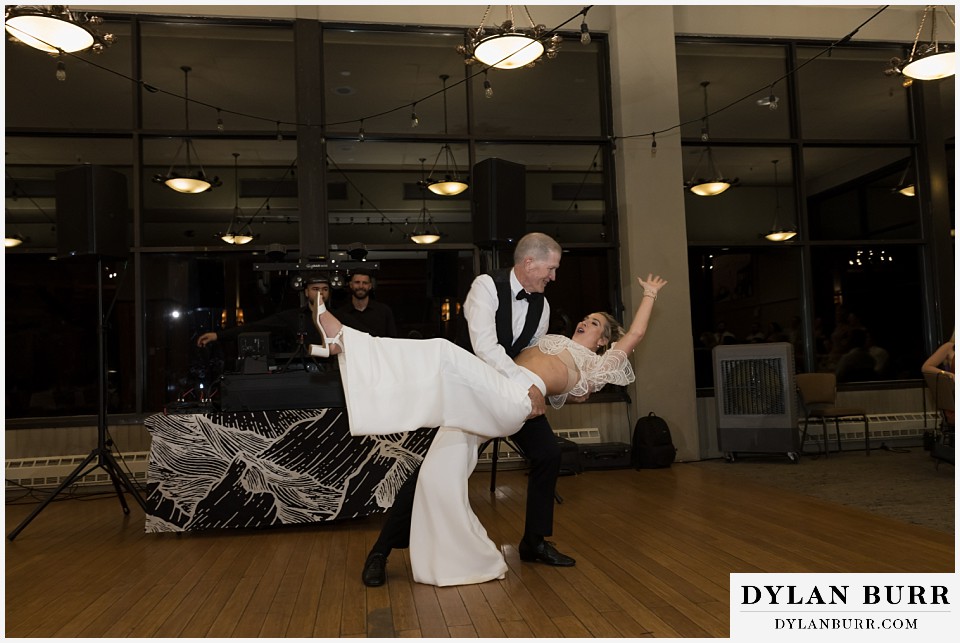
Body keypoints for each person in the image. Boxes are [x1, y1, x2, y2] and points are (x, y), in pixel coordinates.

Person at [305, 267, 666, 586]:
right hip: (491, 387)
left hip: (517, 400)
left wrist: (649, 294)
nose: (585, 322)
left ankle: (535, 542)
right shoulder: (544, 328)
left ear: (603, 341)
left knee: (450, 358)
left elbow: (633, 335)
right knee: (433, 472)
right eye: (586, 317)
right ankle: (381, 553)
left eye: (595, 323)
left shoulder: (596, 364)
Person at [195, 272, 332, 351]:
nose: (320, 293)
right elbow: (256, 326)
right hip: (304, 372)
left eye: (325, 289)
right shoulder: (294, 316)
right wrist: (218, 335)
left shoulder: (338, 316)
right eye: (315, 289)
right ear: (306, 292)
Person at [334, 268, 398, 337]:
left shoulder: (384, 311)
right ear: (351, 285)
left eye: (365, 283)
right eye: (357, 282)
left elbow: (392, 340)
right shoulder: (340, 314)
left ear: (370, 286)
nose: (361, 286)